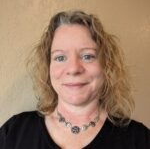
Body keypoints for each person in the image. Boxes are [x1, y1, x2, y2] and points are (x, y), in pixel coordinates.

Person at [0, 10, 150, 149]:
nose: (73, 69)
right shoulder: (13, 132)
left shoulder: (140, 139)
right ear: (48, 67)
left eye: (87, 56)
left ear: (106, 66)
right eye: (60, 57)